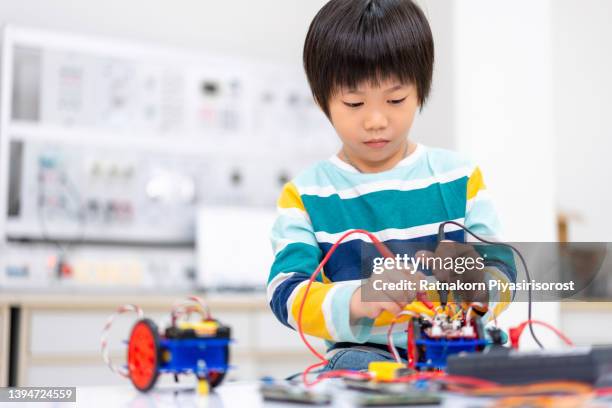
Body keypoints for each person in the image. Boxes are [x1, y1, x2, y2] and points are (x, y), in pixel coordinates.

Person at [267, 0, 509, 372]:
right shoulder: (306, 195)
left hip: (459, 348)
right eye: (354, 102)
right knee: (353, 367)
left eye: (395, 100)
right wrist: (357, 299)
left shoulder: (458, 178)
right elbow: (285, 293)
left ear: (420, 91)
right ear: (323, 101)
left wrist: (476, 284)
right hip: (369, 357)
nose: (376, 120)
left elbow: (503, 272)